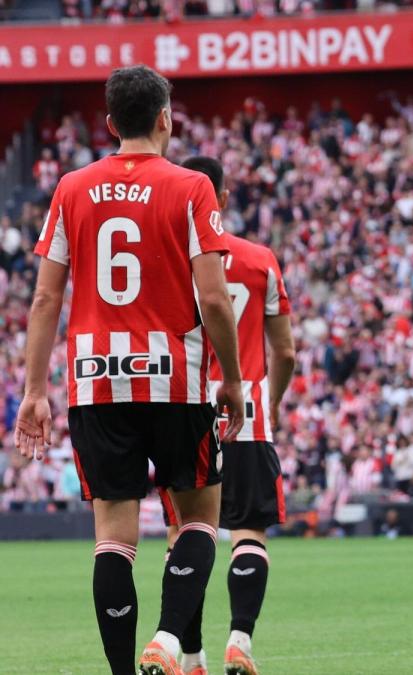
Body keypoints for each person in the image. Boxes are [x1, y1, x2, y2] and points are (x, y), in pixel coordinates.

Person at [13, 65, 245, 675]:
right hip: (174, 378)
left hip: (95, 381)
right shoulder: (192, 187)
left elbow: (44, 300)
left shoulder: (71, 188)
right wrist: (233, 378)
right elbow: (216, 299)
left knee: (113, 538)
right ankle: (169, 639)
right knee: (198, 519)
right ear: (166, 118)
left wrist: (34, 391)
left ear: (111, 123)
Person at [157, 155, 296, 675]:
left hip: (187, 404)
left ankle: (190, 657)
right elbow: (285, 352)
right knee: (249, 533)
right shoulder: (261, 259)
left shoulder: (171, 261)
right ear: (225, 198)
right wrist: (273, 402)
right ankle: (240, 640)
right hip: (249, 408)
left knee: (182, 536)